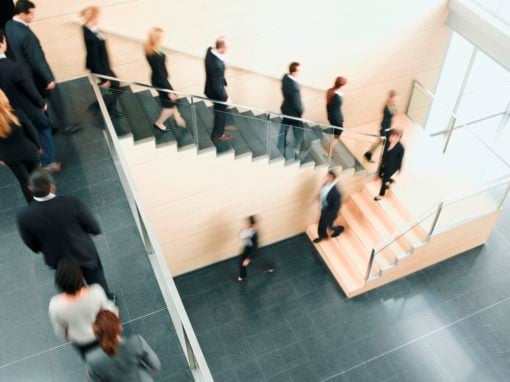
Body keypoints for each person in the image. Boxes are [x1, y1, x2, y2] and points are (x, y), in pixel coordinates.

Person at [17, 168, 116, 301]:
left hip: (59, 261)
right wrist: (92, 232)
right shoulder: (71, 202)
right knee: (96, 279)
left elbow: (32, 244)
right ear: (52, 186)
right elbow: (93, 227)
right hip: (83, 252)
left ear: (30, 188)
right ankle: (106, 302)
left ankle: (84, 307)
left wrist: (45, 247)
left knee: (74, 289)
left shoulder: (24, 216)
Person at [5, 0, 79, 134]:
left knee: (38, 102)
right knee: (55, 97)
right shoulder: (25, 34)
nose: (34, 16)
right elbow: (36, 59)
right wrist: (48, 78)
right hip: (37, 74)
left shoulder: (9, 25)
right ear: (22, 14)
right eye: (31, 14)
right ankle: (65, 126)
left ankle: (48, 126)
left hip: (26, 74)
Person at [0, 29, 59, 171]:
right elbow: (30, 89)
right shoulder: (14, 67)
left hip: (7, 114)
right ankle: (47, 162)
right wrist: (42, 103)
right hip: (29, 109)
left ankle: (33, 162)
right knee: (43, 129)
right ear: (2, 43)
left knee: (25, 135)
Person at [49, 260, 118, 358]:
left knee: (91, 360)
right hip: (101, 333)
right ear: (80, 277)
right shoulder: (95, 291)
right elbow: (110, 311)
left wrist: (70, 337)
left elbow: (60, 330)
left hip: (80, 340)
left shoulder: (55, 305)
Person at [86, 309, 161, 381]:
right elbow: (155, 365)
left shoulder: (92, 360)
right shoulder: (136, 341)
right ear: (118, 327)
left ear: (97, 334)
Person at [80, 5, 121, 118]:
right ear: (93, 17)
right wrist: (104, 78)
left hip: (105, 65)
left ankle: (112, 111)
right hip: (101, 68)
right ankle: (95, 107)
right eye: (98, 16)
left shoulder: (89, 28)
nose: (99, 18)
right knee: (117, 89)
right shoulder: (91, 37)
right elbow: (94, 59)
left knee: (116, 87)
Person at [0, 90, 40, 202]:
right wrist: (38, 146)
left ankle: (33, 206)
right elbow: (32, 132)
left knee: (24, 182)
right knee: (37, 176)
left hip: (10, 157)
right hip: (28, 150)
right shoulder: (18, 113)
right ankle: (45, 199)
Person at [144, 27, 186, 132]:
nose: (164, 38)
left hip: (159, 79)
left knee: (171, 100)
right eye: (162, 37)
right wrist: (168, 91)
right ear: (157, 38)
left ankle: (177, 116)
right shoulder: (155, 55)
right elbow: (160, 74)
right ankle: (159, 123)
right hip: (161, 81)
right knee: (168, 105)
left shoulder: (151, 47)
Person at [204, 36, 235, 141]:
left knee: (221, 110)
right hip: (215, 91)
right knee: (220, 111)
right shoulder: (216, 65)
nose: (227, 50)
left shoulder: (210, 51)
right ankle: (217, 135)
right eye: (226, 48)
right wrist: (226, 98)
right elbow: (217, 85)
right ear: (221, 48)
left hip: (211, 87)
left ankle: (221, 126)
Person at [364, 90, 398, 163]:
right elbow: (385, 120)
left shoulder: (392, 105)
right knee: (385, 144)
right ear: (391, 97)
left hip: (388, 127)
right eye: (395, 98)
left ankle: (368, 154)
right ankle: (384, 159)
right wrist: (383, 132)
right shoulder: (387, 107)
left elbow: (393, 114)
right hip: (384, 128)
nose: (396, 99)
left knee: (379, 143)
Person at [279, 62, 304, 160]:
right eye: (299, 70)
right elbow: (296, 103)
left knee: (284, 126)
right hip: (293, 112)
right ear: (294, 72)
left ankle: (280, 143)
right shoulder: (294, 86)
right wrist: (301, 111)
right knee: (299, 131)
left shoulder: (285, 77)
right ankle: (296, 149)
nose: (300, 72)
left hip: (285, 108)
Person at [237, 216, 274, 282]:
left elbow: (255, 247)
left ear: (253, 225)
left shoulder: (255, 234)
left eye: (250, 224)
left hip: (253, 250)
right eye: (248, 224)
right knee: (242, 262)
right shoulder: (247, 230)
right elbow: (241, 235)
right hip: (247, 248)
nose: (247, 225)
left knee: (259, 260)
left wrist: (248, 259)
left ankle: (269, 267)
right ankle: (242, 276)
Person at [313, 170, 344, 243]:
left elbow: (337, 205)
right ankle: (323, 236)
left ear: (332, 178)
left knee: (327, 225)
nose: (325, 177)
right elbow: (323, 193)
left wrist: (331, 214)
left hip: (330, 211)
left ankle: (339, 229)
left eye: (327, 176)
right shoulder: (325, 184)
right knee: (323, 224)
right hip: (324, 208)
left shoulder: (336, 192)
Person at [374, 128, 405, 201]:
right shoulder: (388, 139)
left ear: (399, 138)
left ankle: (381, 195)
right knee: (380, 175)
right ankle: (390, 181)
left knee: (384, 180)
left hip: (392, 166)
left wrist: (399, 169)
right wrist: (389, 130)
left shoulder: (401, 148)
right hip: (384, 162)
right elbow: (382, 130)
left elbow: (400, 160)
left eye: (396, 137)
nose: (393, 138)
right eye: (392, 136)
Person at [326, 76, 347, 155]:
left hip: (331, 116)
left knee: (335, 131)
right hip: (336, 117)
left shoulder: (329, 91)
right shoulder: (338, 95)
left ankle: (329, 148)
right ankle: (329, 150)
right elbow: (338, 106)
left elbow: (328, 106)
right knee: (338, 133)